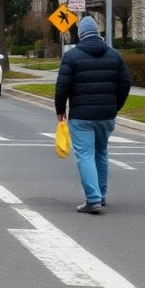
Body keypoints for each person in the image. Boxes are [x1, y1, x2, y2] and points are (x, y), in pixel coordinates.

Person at [54, 16, 131, 214]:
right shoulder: (115, 56)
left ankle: (93, 199)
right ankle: (102, 195)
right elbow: (125, 84)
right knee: (101, 153)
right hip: (107, 115)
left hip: (81, 116)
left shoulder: (72, 57)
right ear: (97, 33)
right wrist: (115, 107)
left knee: (85, 155)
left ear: (80, 34)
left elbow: (62, 87)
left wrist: (60, 110)